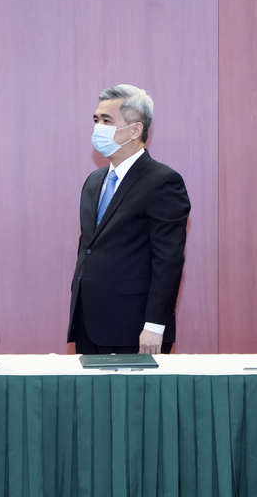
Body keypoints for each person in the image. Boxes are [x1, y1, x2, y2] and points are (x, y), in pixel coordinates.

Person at [68, 85, 190, 354]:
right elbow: (89, 248)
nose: (98, 128)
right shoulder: (94, 181)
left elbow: (168, 260)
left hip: (135, 328)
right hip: (88, 324)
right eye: (96, 120)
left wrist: (155, 325)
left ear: (135, 130)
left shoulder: (163, 181)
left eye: (107, 121)